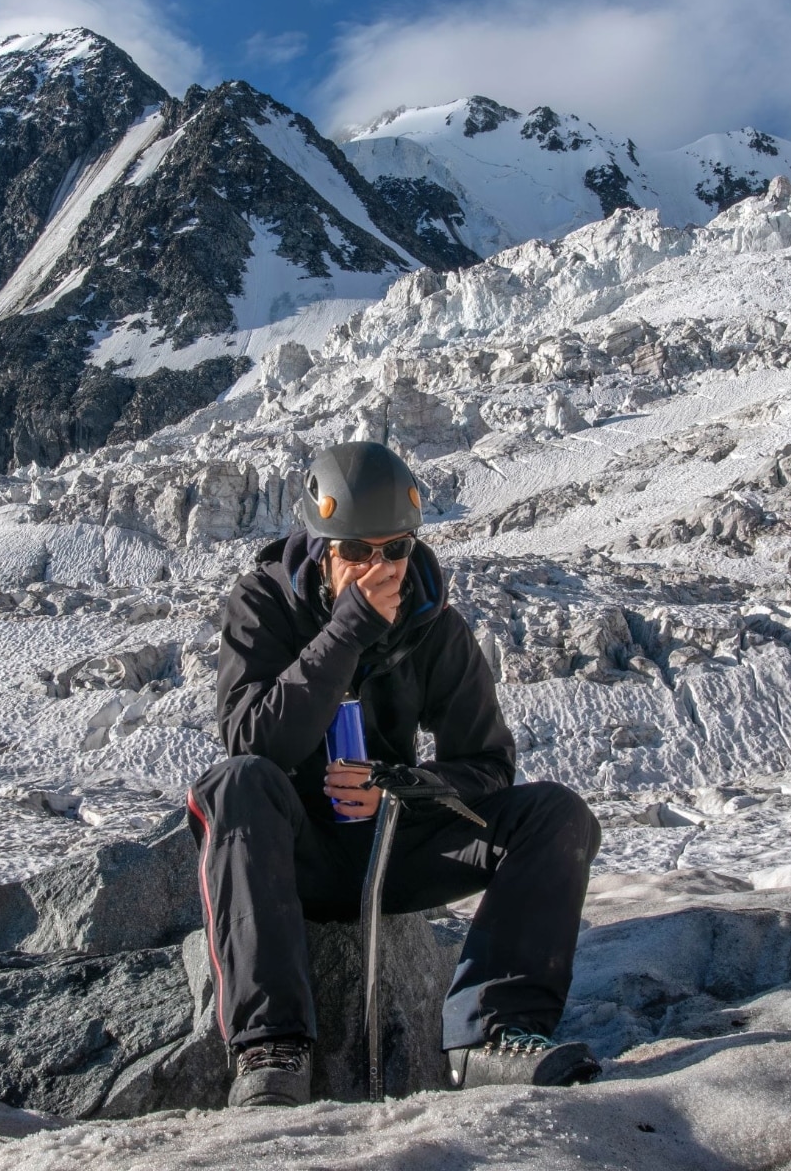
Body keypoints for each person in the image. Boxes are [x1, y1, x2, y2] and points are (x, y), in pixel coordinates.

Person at [186, 441, 603, 1107]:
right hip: (293, 857)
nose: (378, 568)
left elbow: (489, 763)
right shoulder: (263, 604)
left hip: (393, 845)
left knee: (558, 816)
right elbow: (251, 739)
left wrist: (407, 787)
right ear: (320, 546)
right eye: (355, 551)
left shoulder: (432, 624)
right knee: (233, 784)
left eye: (395, 550)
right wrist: (345, 633)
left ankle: (493, 1035)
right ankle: (272, 1047)